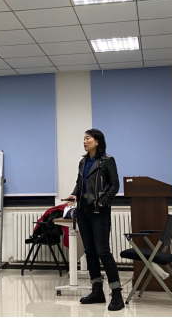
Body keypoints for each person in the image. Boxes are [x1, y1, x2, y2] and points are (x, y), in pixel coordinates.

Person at [66, 129, 124, 311]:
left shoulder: (107, 161)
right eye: (84, 139)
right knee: (90, 252)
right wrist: (74, 194)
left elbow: (115, 185)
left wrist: (102, 201)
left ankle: (117, 294)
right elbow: (79, 183)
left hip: (99, 210)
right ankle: (97, 291)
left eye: (88, 138)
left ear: (97, 141)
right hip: (83, 209)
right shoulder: (83, 162)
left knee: (103, 252)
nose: (84, 141)